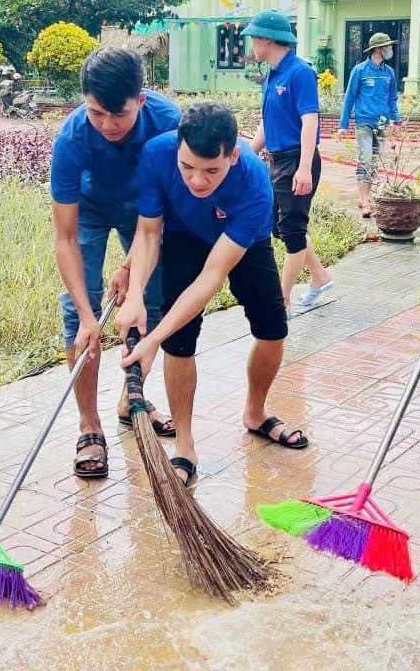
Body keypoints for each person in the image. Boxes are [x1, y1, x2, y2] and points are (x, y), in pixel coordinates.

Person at [119, 102, 305, 488]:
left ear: (233, 155)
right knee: (179, 344)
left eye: (212, 170)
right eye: (188, 168)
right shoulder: (157, 154)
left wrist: (150, 339)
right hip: (184, 237)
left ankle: (255, 413)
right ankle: (184, 444)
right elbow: (150, 233)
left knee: (273, 329)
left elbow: (212, 276)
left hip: (243, 243)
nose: (198, 181)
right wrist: (135, 293)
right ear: (178, 150)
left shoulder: (254, 182)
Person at [50, 47, 178, 478]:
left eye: (117, 115)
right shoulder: (72, 139)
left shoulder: (167, 126)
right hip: (87, 209)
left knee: (148, 304)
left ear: (141, 101)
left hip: (146, 212)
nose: (106, 124)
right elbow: (65, 238)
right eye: (95, 113)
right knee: (77, 315)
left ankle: (132, 399)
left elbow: (157, 223)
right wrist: (90, 317)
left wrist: (130, 270)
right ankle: (89, 426)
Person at [243, 10, 334, 310]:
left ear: (267, 39)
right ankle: (319, 276)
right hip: (278, 160)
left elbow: (310, 120)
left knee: (292, 231)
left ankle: (281, 301)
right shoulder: (271, 73)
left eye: (253, 39)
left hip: (298, 159)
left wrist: (305, 167)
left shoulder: (300, 72)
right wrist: (249, 152)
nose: (251, 45)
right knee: (279, 227)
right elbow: (268, 122)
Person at [339, 31, 402, 217]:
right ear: (379, 49)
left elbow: (392, 99)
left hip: (382, 123)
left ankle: (365, 196)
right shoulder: (359, 71)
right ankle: (366, 201)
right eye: (388, 47)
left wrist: (397, 120)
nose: (390, 50)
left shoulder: (389, 73)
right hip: (364, 123)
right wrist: (343, 125)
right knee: (365, 159)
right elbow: (349, 98)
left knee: (375, 161)